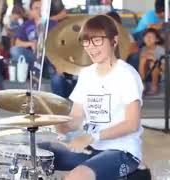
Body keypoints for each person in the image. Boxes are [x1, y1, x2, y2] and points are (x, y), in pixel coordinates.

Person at [39, 15, 144, 180]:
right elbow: (76, 117)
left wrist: (92, 136)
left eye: (97, 41)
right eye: (86, 41)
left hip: (123, 151)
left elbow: (132, 124)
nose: (90, 47)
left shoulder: (127, 74)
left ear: (114, 41)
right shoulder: (86, 74)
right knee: (37, 154)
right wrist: (61, 126)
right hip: (91, 148)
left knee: (76, 177)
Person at [138, 28, 165, 95]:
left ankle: (154, 86)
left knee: (153, 63)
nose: (148, 38)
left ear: (157, 40)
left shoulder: (161, 50)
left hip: (160, 75)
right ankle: (142, 84)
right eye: (146, 36)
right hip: (146, 74)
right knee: (143, 59)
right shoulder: (143, 49)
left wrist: (154, 59)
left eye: (151, 37)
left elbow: (165, 68)